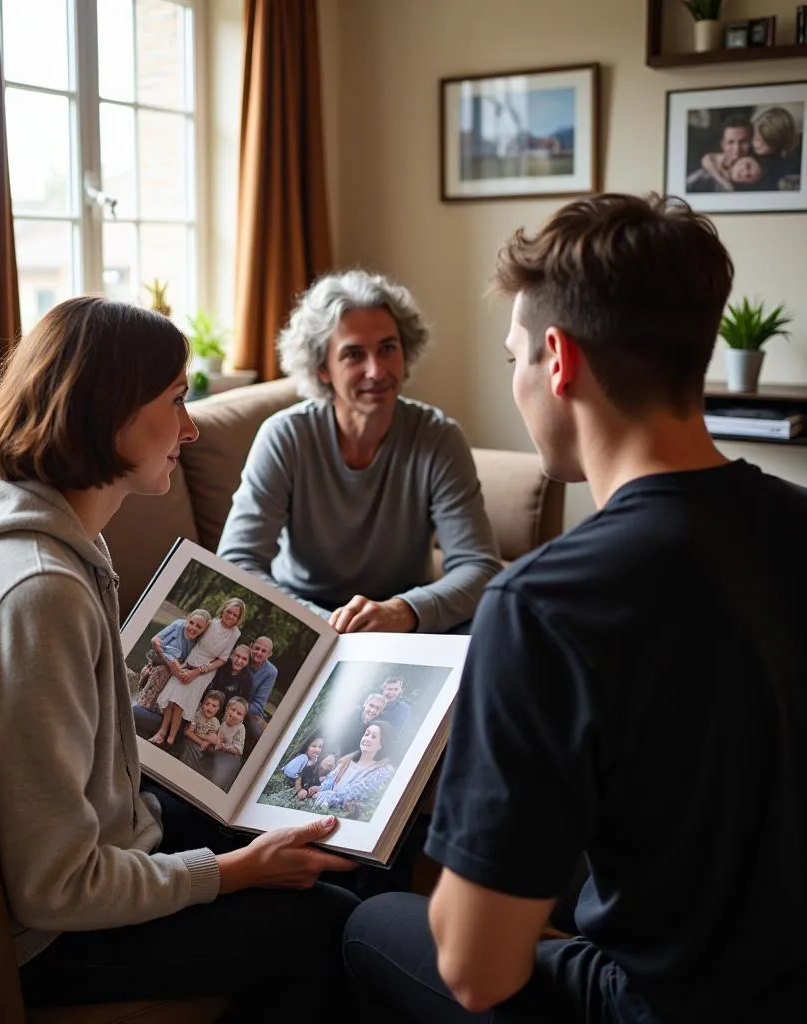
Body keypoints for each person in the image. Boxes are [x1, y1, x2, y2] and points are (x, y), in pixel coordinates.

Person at [342, 193, 807, 1022]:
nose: (516, 379)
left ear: (557, 360)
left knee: (374, 922)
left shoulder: (542, 604)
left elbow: (476, 969)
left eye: (514, 357)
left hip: (663, 1004)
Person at [0, 296, 358, 1015]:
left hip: (112, 836)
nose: (189, 427)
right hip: (51, 938)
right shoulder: (37, 593)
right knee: (332, 920)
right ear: (110, 408)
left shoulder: (54, 540)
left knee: (333, 843)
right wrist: (232, 873)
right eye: (177, 400)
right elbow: (54, 884)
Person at [217, 270, 502, 635]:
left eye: (387, 348)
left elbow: (479, 567)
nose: (376, 370)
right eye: (354, 354)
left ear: (405, 351)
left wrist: (405, 610)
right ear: (322, 368)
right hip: (305, 625)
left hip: (403, 626)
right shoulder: (285, 437)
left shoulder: (438, 438)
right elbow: (237, 562)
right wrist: (325, 625)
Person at [151, 596, 245, 746]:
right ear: (224, 610)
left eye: (235, 615)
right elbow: (192, 634)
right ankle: (162, 732)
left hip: (205, 670)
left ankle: (171, 737)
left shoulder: (235, 634)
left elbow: (222, 660)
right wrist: (177, 660)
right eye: (229, 612)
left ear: (239, 618)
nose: (231, 616)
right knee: (171, 698)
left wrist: (196, 672)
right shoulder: (211, 624)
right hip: (189, 660)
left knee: (180, 703)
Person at [313, 722, 396, 817]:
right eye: (366, 734)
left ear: (381, 744)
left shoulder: (381, 771)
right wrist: (318, 789)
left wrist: (328, 796)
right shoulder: (345, 762)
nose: (367, 739)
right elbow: (327, 785)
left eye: (373, 737)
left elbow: (354, 793)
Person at [133, 609, 211, 710]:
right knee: (164, 669)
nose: (193, 628)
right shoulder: (179, 625)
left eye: (199, 627)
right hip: (161, 655)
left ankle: (154, 705)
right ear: (187, 620)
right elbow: (155, 641)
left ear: (204, 630)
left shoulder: (199, 642)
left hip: (177, 663)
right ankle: (144, 702)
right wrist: (171, 662)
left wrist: (179, 668)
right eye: (191, 623)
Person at [242, 634, 278, 753]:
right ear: (251, 646)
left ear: (269, 654)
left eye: (263, 651)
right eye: (257, 648)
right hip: (226, 699)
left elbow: (258, 704)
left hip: (247, 710)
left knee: (257, 732)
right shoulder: (242, 656)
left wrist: (239, 709)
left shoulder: (270, 672)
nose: (258, 653)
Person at [751, 105, 801, 189]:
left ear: (778, 143)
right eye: (755, 138)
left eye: (764, 143)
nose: (756, 144)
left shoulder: (784, 167)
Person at [334, 693, 388, 759]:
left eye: (377, 708)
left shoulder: (379, 727)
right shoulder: (352, 713)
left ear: (381, 711)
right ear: (365, 703)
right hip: (336, 751)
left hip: (356, 758)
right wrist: (333, 754)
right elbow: (335, 733)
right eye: (371, 706)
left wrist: (353, 755)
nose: (373, 710)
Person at [181, 690, 223, 754]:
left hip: (204, 747)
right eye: (207, 704)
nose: (210, 707)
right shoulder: (197, 715)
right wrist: (202, 742)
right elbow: (188, 732)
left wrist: (208, 742)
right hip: (192, 741)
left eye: (214, 706)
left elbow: (213, 738)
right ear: (202, 705)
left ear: (218, 709)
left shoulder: (216, 722)